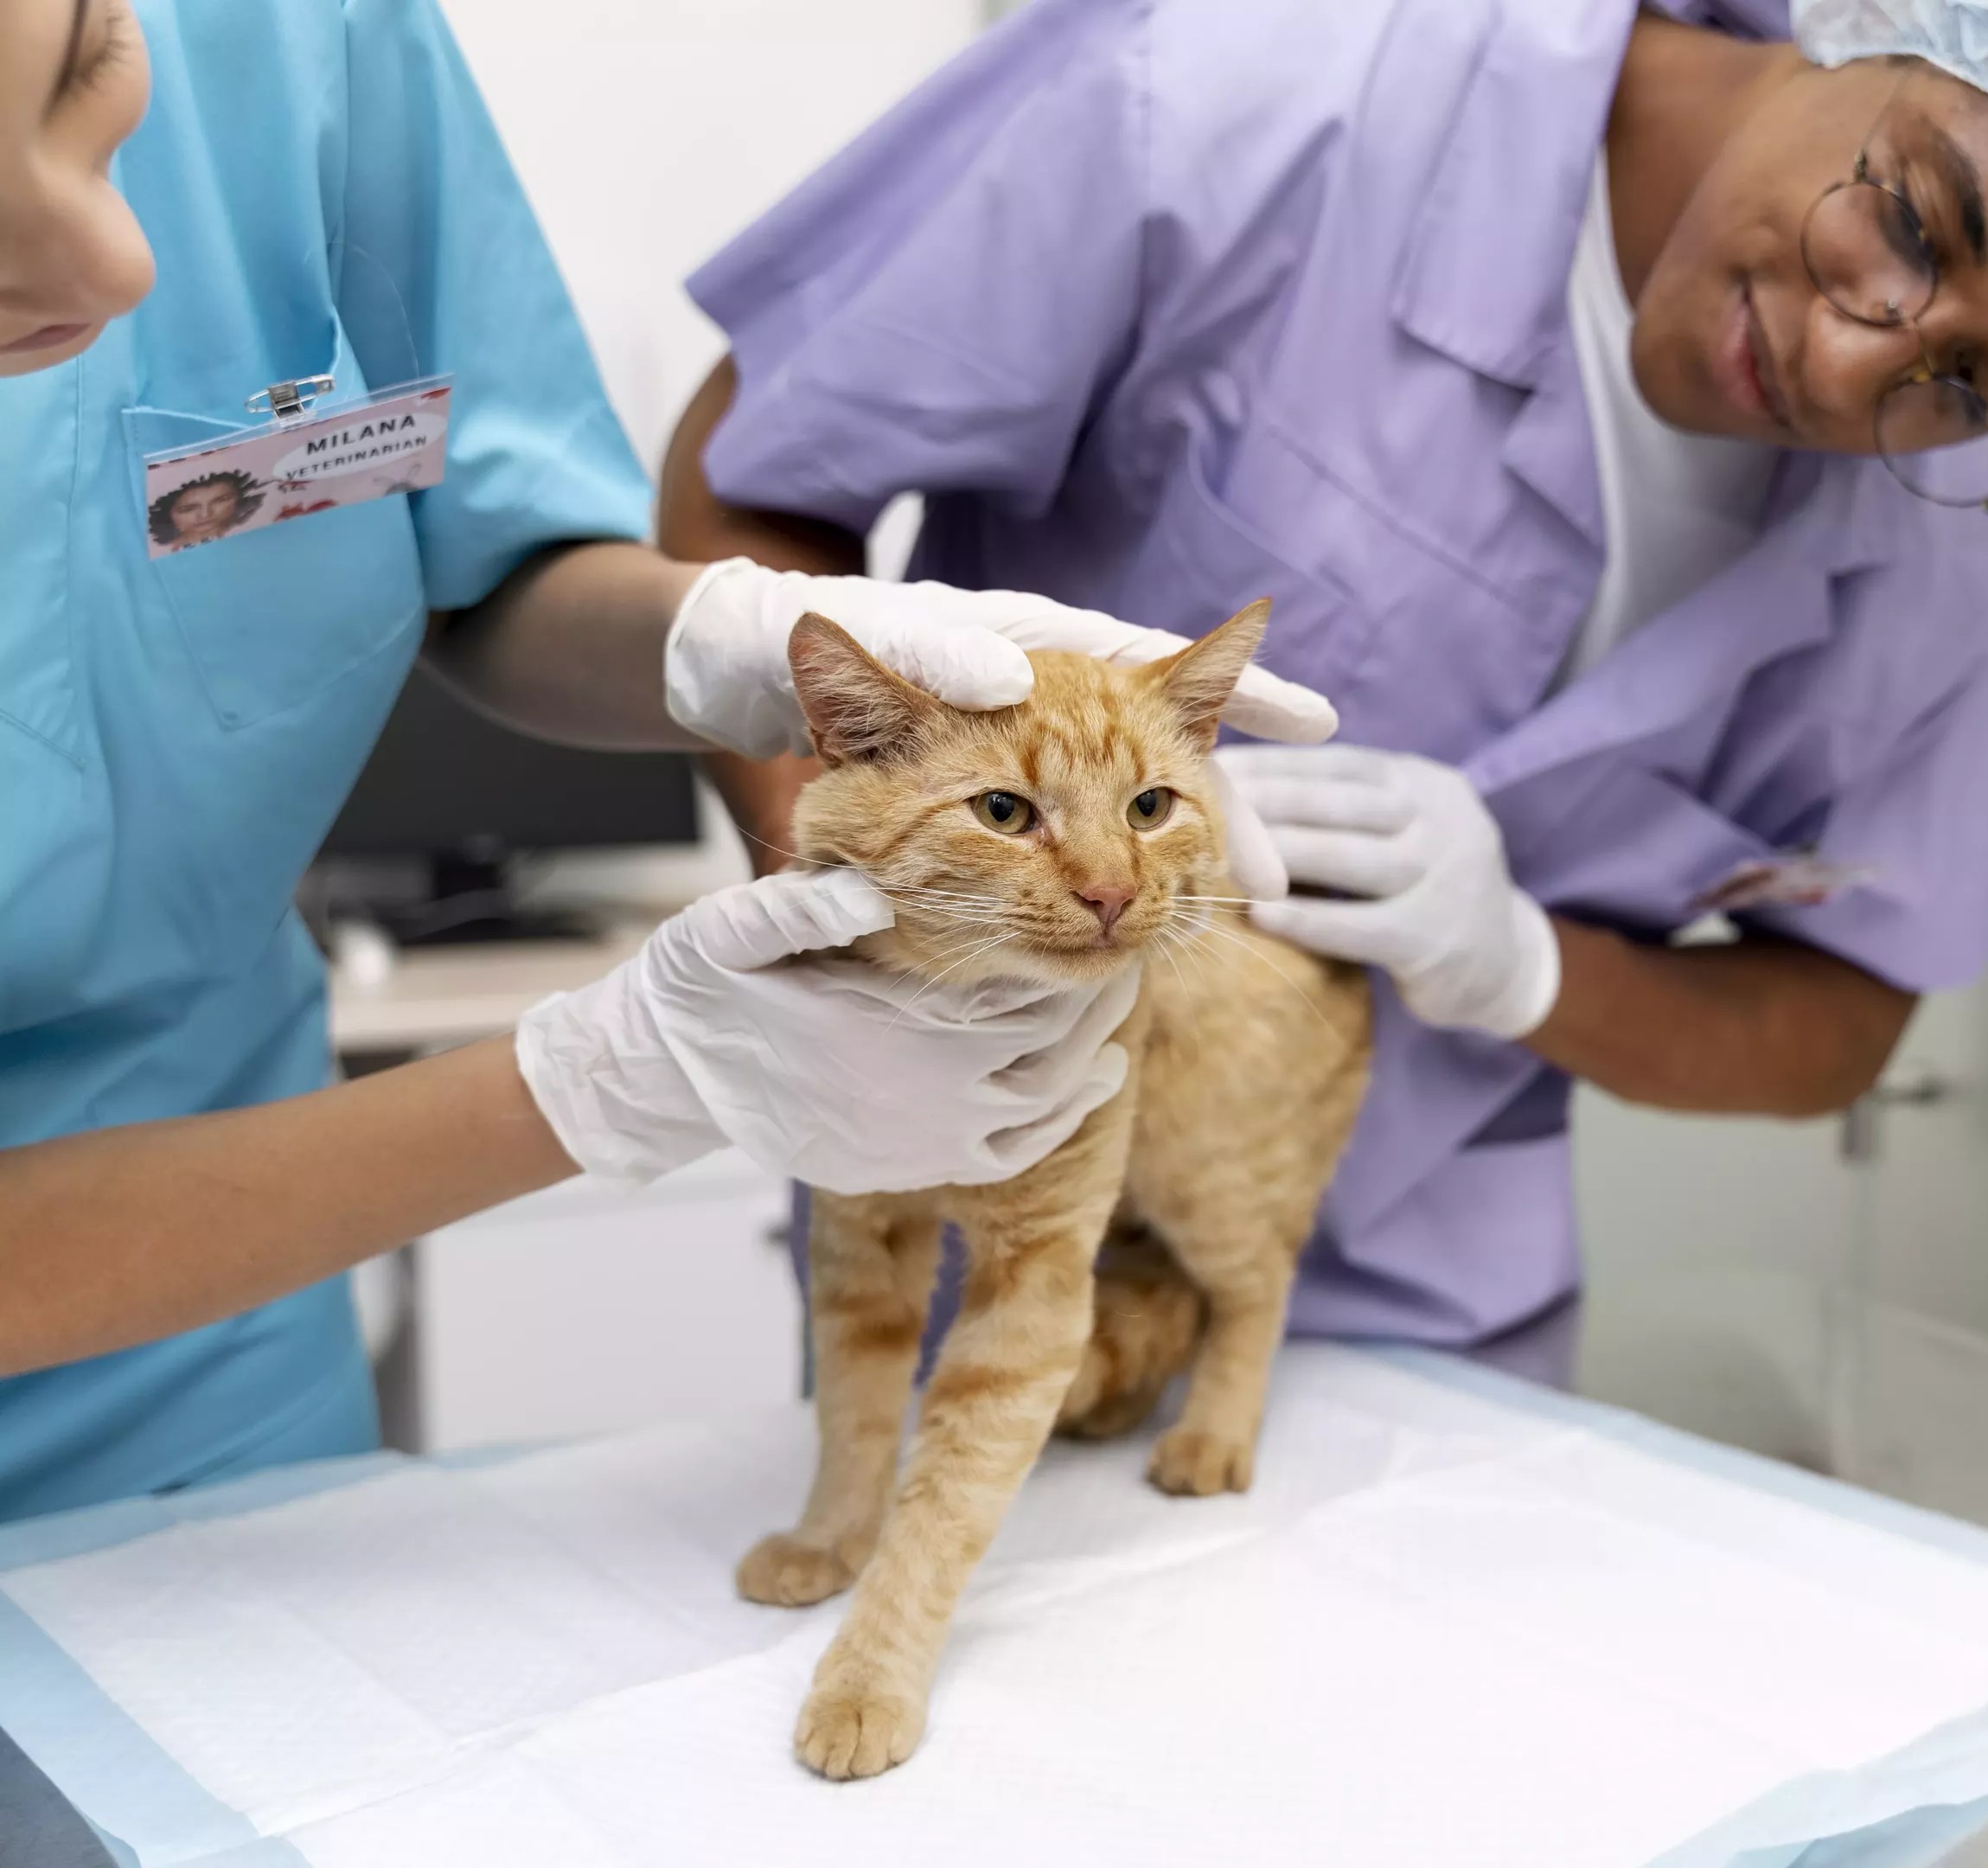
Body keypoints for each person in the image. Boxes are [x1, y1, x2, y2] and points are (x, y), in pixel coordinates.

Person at [667, 0, 1988, 1367]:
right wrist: (877, 951)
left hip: (1451, 1325)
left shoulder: (1961, 531)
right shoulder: (1248, 82)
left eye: (1978, 384)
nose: (1855, 359)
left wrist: (1530, 967)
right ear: (1890, 20)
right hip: (999, 1236)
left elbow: (1842, 1019)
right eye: (1913, 221)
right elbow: (749, 480)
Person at [0, 0, 1334, 1519]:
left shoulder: (298, 35)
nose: (116, 267)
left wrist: (739, 634)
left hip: (229, 1346)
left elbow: (473, 537)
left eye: (90, 74)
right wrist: (591, 1085)